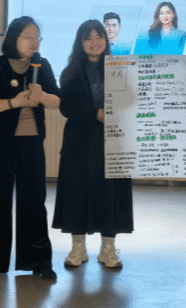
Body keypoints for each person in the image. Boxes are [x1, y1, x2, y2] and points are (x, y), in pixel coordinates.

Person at [0, 16, 60, 280]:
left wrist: (42, 96)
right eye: (28, 37)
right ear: (14, 38)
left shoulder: (42, 66)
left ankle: (39, 261)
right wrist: (14, 102)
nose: (34, 42)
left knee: (34, 200)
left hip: (31, 142)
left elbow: (57, 101)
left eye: (37, 38)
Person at [52, 19, 134, 269]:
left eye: (99, 37)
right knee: (77, 192)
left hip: (113, 140)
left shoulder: (119, 68)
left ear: (106, 41)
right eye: (88, 38)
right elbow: (67, 107)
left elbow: (130, 100)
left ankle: (108, 248)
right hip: (79, 141)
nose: (94, 42)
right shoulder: (70, 71)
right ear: (80, 43)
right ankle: (78, 247)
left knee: (111, 192)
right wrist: (95, 114)